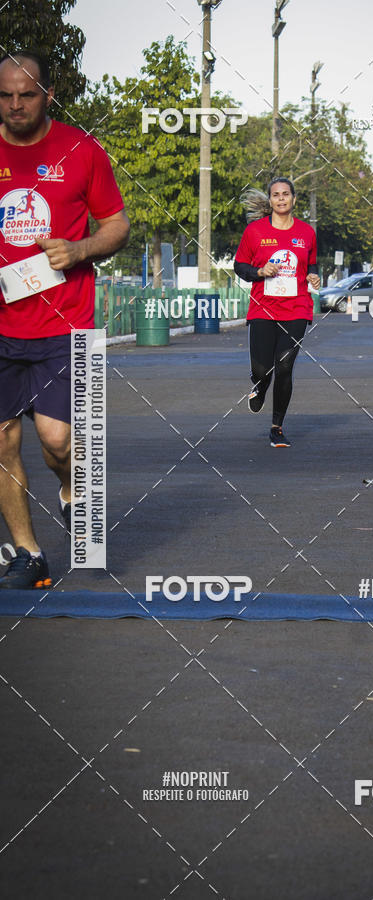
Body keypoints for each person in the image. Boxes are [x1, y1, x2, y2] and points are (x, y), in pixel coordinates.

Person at [0, 51, 129, 589]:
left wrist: (78, 251)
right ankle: (28, 553)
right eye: (4, 96)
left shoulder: (82, 150)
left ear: (47, 96)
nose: (14, 105)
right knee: (2, 441)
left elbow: (117, 225)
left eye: (26, 95)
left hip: (65, 325)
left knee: (58, 441)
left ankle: (74, 492)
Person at [234, 177, 319, 447]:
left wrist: (315, 277)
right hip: (263, 308)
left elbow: (312, 264)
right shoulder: (255, 232)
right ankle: (259, 384)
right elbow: (240, 266)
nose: (281, 199)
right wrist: (259, 272)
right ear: (270, 201)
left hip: (297, 308)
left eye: (286, 194)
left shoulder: (307, 233)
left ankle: (277, 427)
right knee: (262, 367)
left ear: (294, 199)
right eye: (276, 195)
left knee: (284, 366)